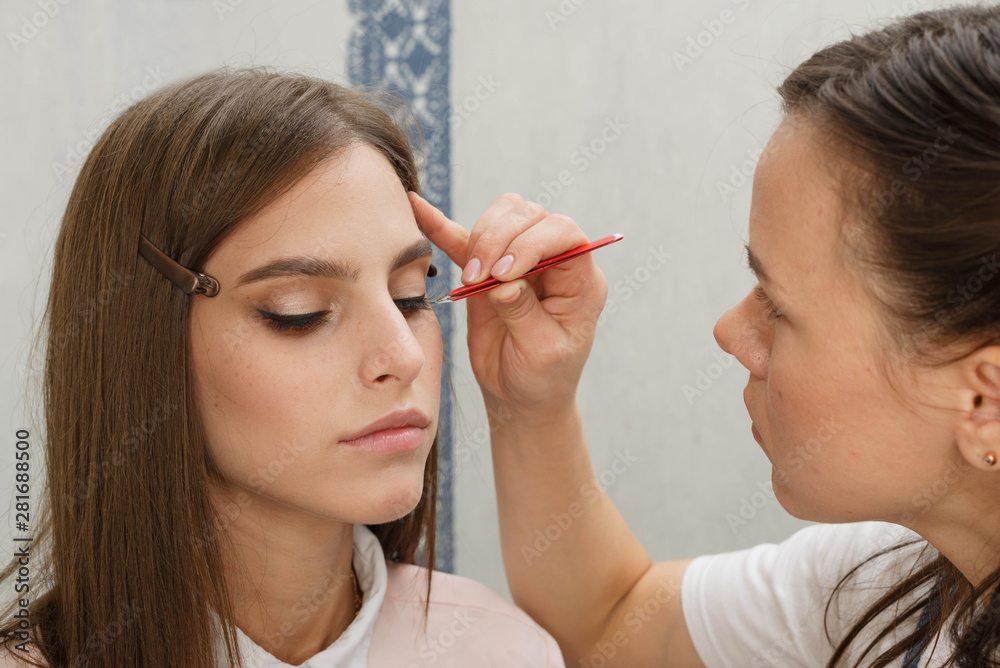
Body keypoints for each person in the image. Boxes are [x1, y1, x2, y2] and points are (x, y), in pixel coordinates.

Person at [413, 5, 1000, 667]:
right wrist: (529, 403)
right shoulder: (896, 586)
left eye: (776, 307)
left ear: (984, 400)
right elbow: (613, 623)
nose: (729, 332)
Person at [0, 67, 563, 667]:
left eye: (410, 294)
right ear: (141, 340)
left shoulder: (500, 651)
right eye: (300, 312)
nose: (404, 355)